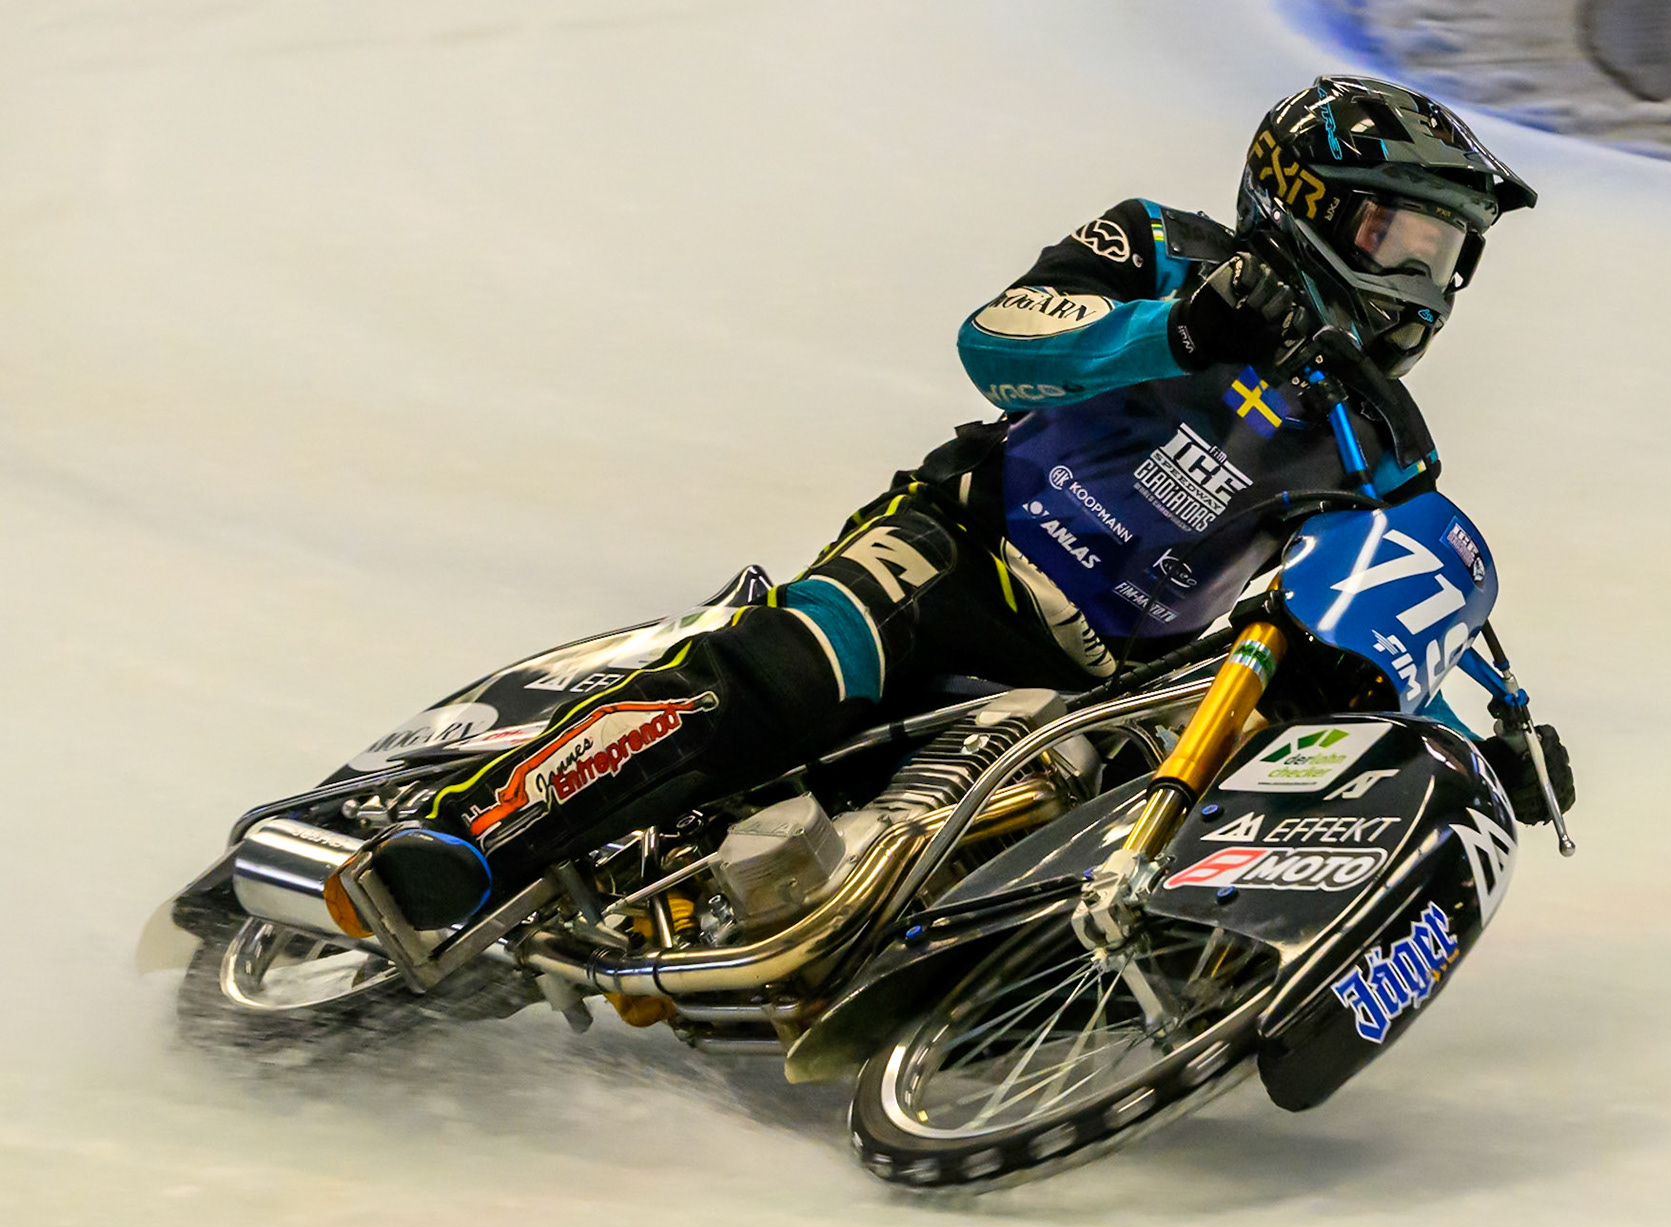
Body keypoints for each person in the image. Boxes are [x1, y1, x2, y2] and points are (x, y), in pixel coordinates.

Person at [366, 75, 1576, 930]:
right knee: (796, 669)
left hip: (1102, 675)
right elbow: (997, 344)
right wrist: (1178, 330)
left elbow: (1385, 578)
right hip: (961, 544)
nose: (1424, 286)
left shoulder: (1370, 435)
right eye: (1402, 237)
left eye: (1445, 255)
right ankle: (472, 840)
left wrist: (1495, 725)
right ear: (1306, 202)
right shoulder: (1160, 245)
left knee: (1139, 795)